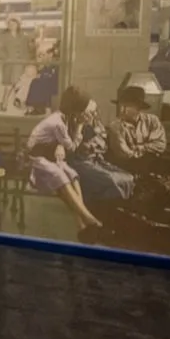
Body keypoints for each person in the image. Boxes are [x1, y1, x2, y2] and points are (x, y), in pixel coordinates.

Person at [25, 86, 104, 231]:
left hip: (49, 157)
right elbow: (72, 147)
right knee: (60, 174)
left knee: (72, 175)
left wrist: (62, 143)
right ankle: (89, 219)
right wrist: (80, 125)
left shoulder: (65, 118)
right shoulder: (58, 123)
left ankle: (81, 224)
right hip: (36, 159)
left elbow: (65, 146)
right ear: (76, 108)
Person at [107, 85, 168, 174]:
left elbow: (160, 145)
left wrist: (139, 147)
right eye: (121, 105)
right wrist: (147, 148)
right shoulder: (115, 127)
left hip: (151, 164)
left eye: (127, 106)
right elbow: (124, 154)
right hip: (126, 168)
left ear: (138, 107)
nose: (122, 110)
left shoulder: (152, 121)